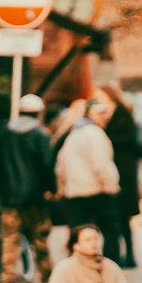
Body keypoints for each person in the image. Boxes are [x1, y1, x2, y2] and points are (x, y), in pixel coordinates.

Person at [0, 93, 55, 283]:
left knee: (9, 239)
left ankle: (8, 276)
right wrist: (51, 188)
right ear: (38, 113)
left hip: (10, 197)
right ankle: (46, 275)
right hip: (34, 196)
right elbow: (46, 165)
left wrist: (0, 190)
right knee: (40, 238)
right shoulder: (40, 135)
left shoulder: (4, 134)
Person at [54, 97, 121, 260]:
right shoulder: (95, 134)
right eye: (101, 114)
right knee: (109, 229)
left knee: (78, 231)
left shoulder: (73, 135)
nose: (104, 117)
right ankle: (110, 265)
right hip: (96, 190)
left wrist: (63, 188)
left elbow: (60, 166)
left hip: (74, 192)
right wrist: (111, 186)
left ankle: (77, 265)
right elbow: (102, 165)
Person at [99, 83, 141, 268]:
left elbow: (129, 138)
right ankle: (121, 254)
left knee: (123, 217)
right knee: (116, 216)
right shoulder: (108, 113)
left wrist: (106, 134)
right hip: (116, 169)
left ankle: (130, 255)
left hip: (124, 170)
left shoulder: (122, 113)